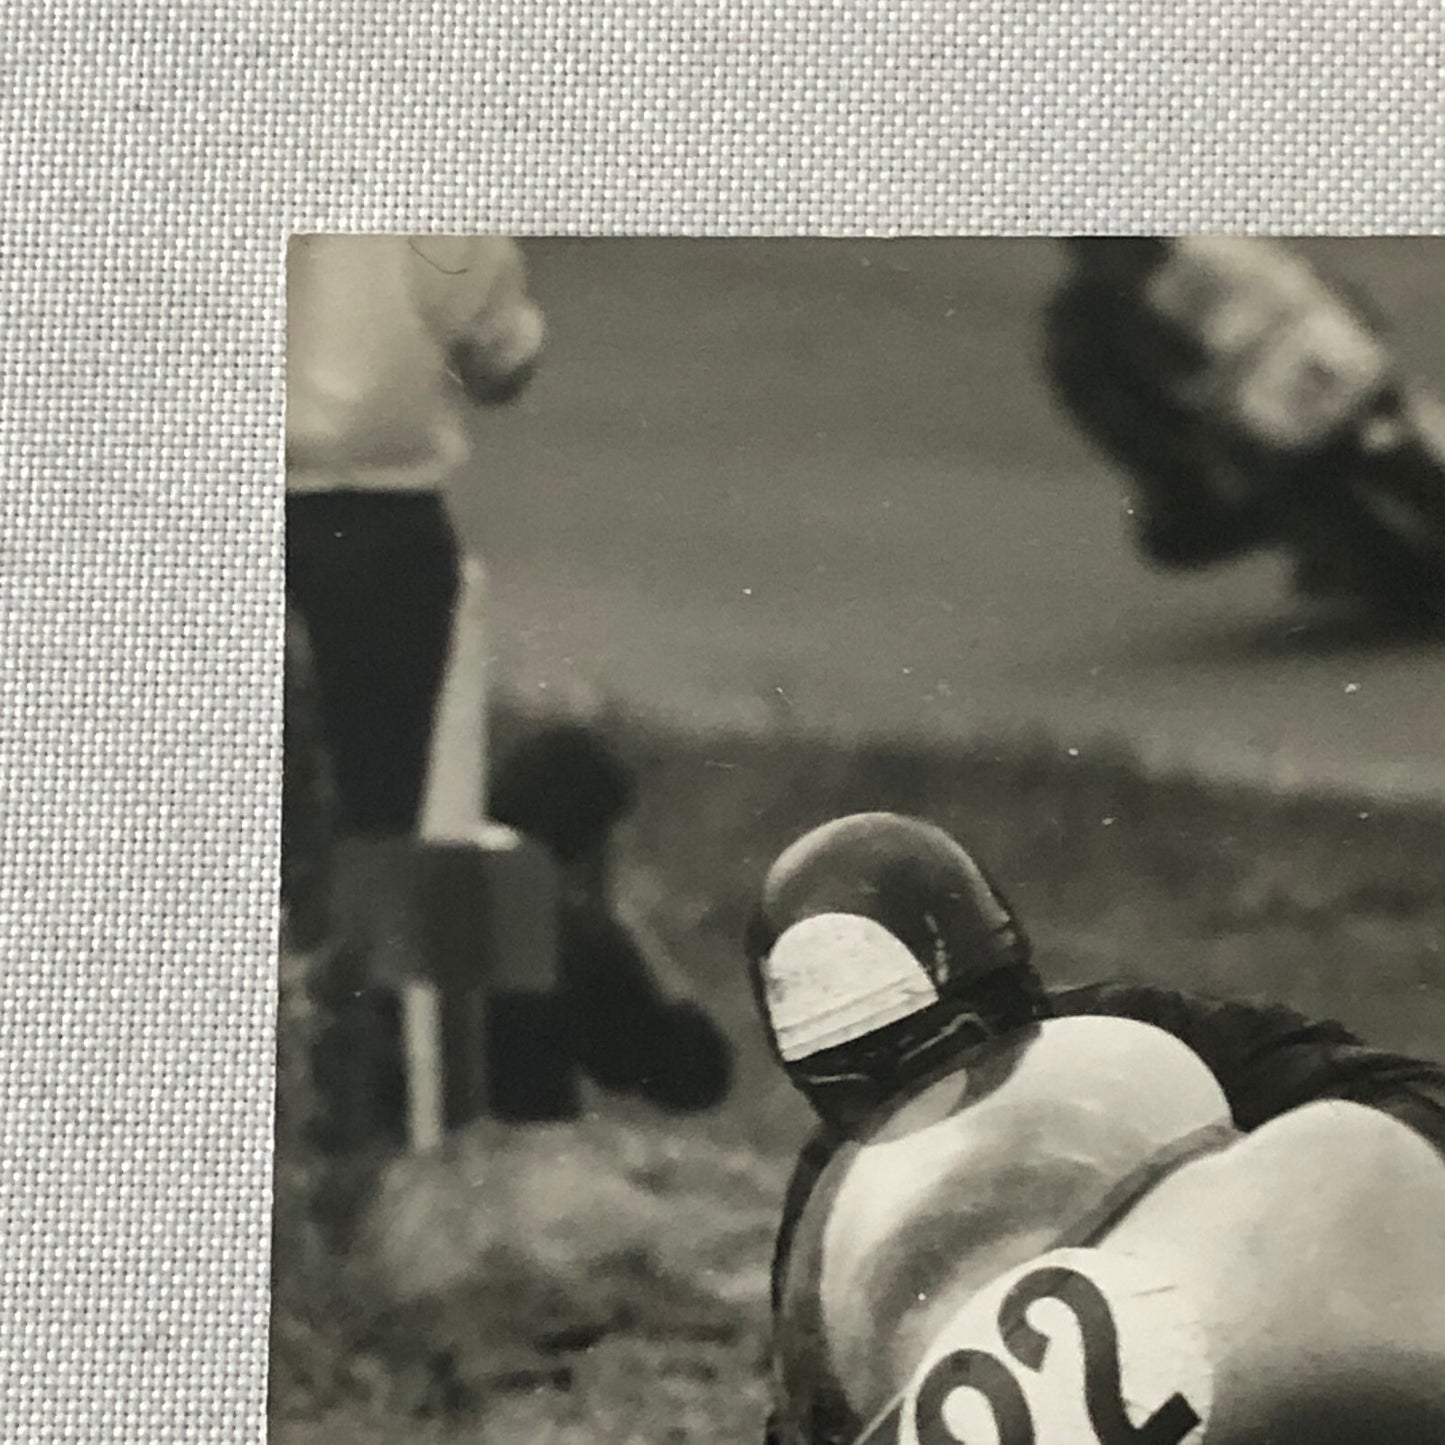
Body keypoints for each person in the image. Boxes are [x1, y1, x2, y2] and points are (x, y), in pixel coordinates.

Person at [748, 812, 1445, 1445]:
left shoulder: (1134, 1033)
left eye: (947, 1046)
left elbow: (1406, 1100)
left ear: (1007, 991)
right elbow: (813, 1419)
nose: (919, 1099)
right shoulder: (834, 1203)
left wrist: (1273, 1199)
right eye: (850, 1082)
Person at [1044, 236, 1445, 617]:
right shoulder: (1081, 330)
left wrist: (1354, 313)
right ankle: (1319, 539)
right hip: (1224, 427)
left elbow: (1310, 286)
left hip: (1312, 372)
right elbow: (1117, 423)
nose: (1123, 250)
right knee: (1170, 535)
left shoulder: (1216, 249)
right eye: (1103, 243)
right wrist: (1184, 453)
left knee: (1395, 404)